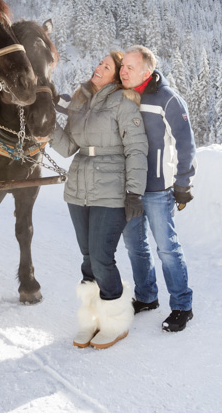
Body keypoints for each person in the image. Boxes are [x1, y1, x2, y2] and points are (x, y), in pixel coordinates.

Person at [50, 51, 148, 349]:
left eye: (106, 66)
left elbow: (136, 148)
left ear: (117, 75)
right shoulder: (81, 101)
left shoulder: (123, 102)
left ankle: (116, 321)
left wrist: (134, 192)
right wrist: (45, 126)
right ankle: (91, 320)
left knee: (102, 258)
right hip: (79, 187)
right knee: (88, 259)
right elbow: (68, 148)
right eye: (98, 63)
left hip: (112, 188)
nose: (98, 67)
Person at [119, 45, 196, 333]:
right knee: (135, 245)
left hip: (157, 190)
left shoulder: (167, 98)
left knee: (167, 248)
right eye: (122, 66)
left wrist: (184, 183)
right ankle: (147, 296)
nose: (122, 70)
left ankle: (181, 305)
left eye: (129, 66)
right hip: (129, 188)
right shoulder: (123, 97)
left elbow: (185, 143)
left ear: (146, 71)